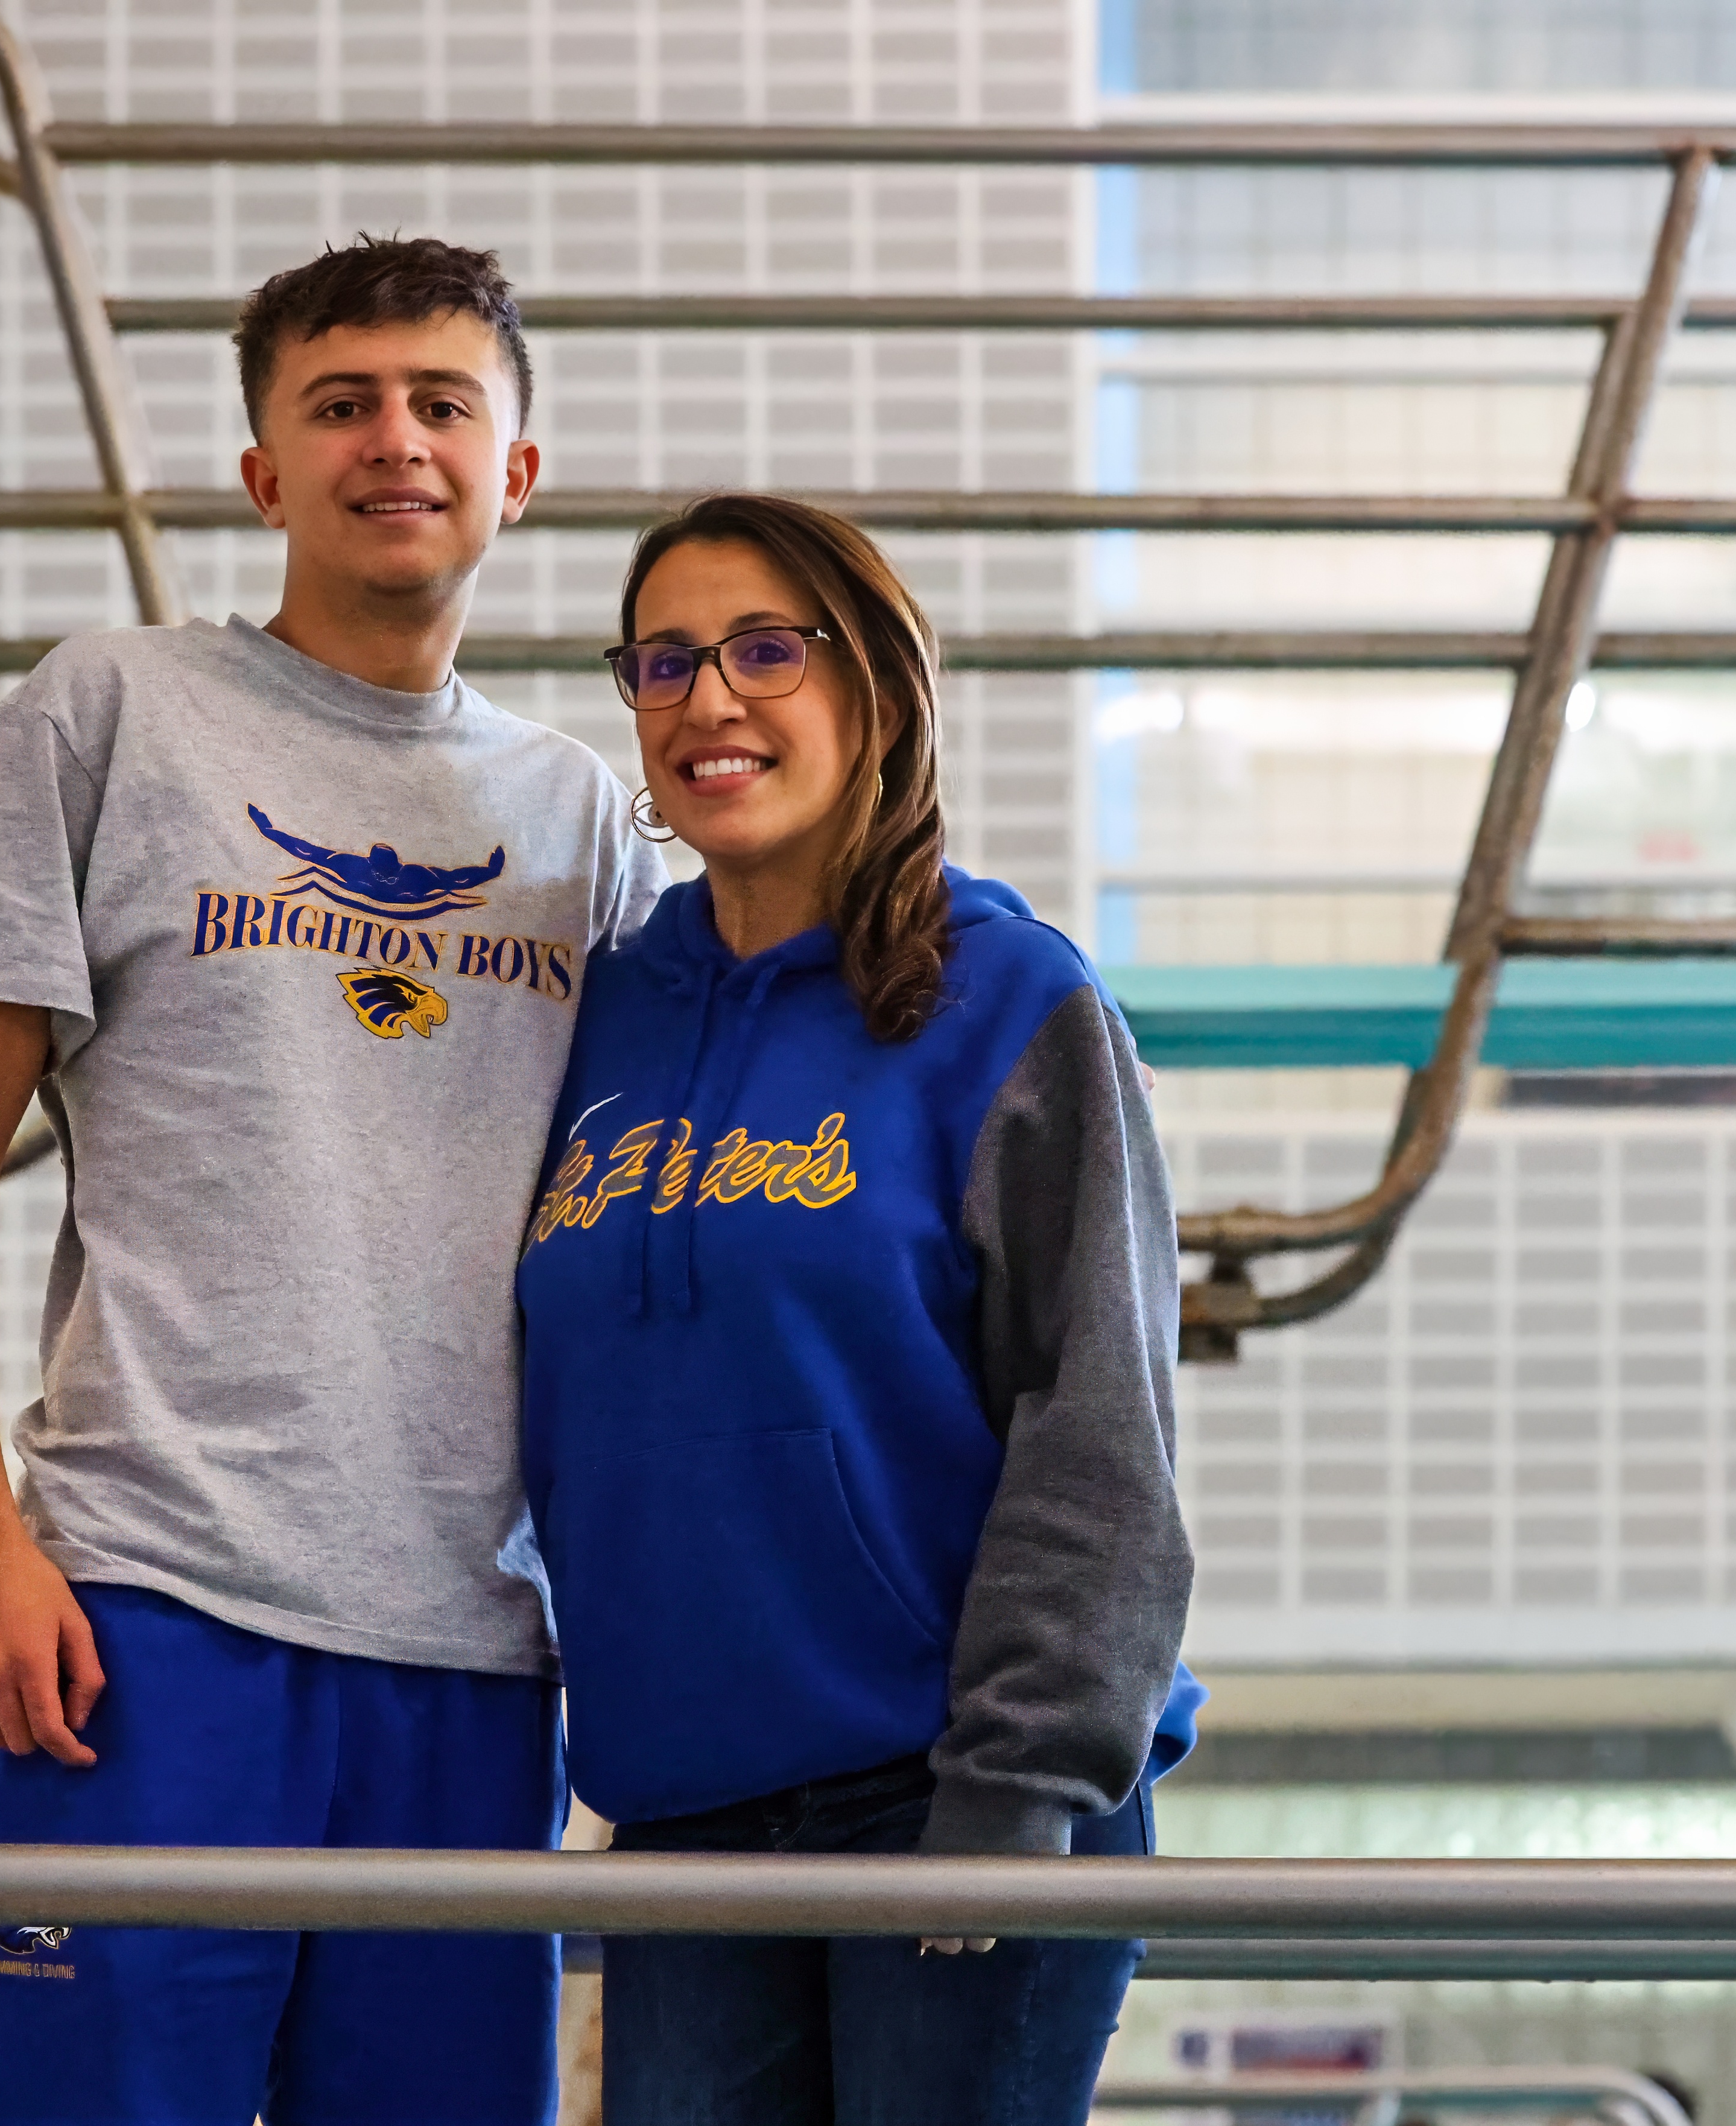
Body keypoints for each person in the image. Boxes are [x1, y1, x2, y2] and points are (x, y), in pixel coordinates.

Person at [0, 235, 661, 2126]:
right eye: (341, 404)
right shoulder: (112, 712)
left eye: (442, 403)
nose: (395, 440)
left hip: (475, 1651)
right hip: (143, 1619)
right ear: (264, 472)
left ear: (516, 470)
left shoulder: (584, 819)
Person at [516, 492, 1204, 2125]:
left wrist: (1021, 1784)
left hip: (952, 1793)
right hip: (685, 1809)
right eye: (665, 661)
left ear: (876, 684)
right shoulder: (601, 1012)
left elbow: (1099, 1425)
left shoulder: (1012, 1001)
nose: (709, 699)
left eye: (767, 650)